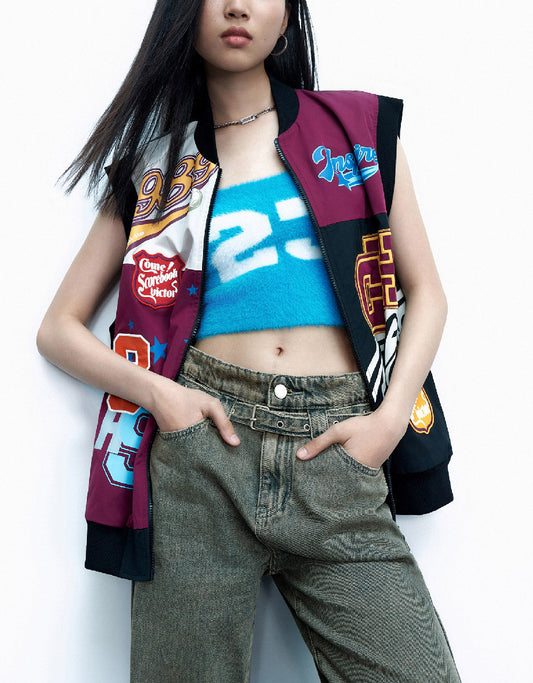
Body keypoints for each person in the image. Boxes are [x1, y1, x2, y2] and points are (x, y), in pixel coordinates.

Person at [37, 0, 461, 680]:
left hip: (337, 455)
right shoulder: (155, 172)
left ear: (288, 18)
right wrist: (164, 397)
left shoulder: (356, 131)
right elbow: (58, 329)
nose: (237, 5)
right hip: (202, 459)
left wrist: (386, 423)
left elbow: (426, 294)